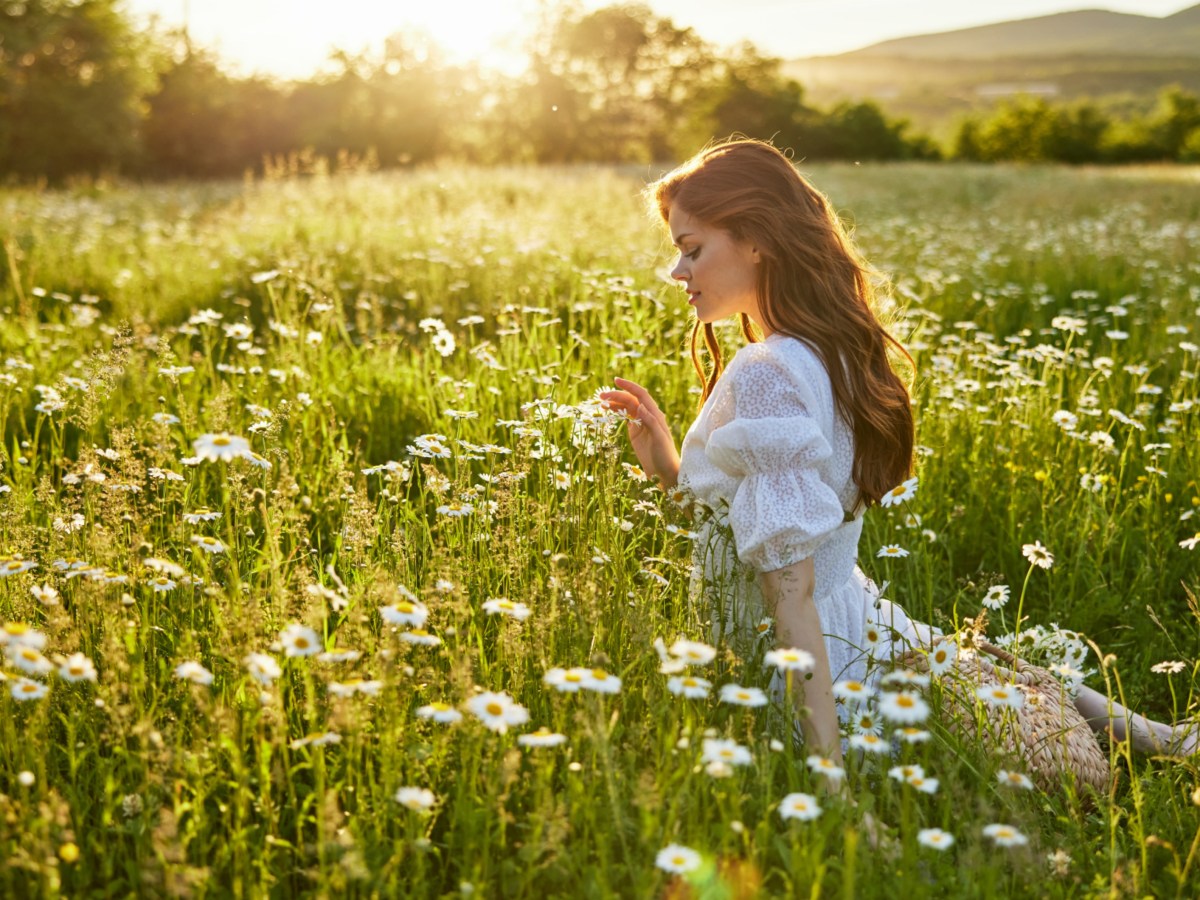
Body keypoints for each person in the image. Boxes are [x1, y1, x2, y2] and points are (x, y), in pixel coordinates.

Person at [599, 139, 1196, 769]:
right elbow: (754, 515)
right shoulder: (831, 349)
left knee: (957, 665)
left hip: (796, 654)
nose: (677, 273)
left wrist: (829, 779)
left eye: (691, 250)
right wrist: (670, 469)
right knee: (961, 652)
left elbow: (789, 593)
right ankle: (1163, 737)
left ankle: (1140, 740)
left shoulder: (766, 370)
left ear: (757, 238)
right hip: (848, 610)